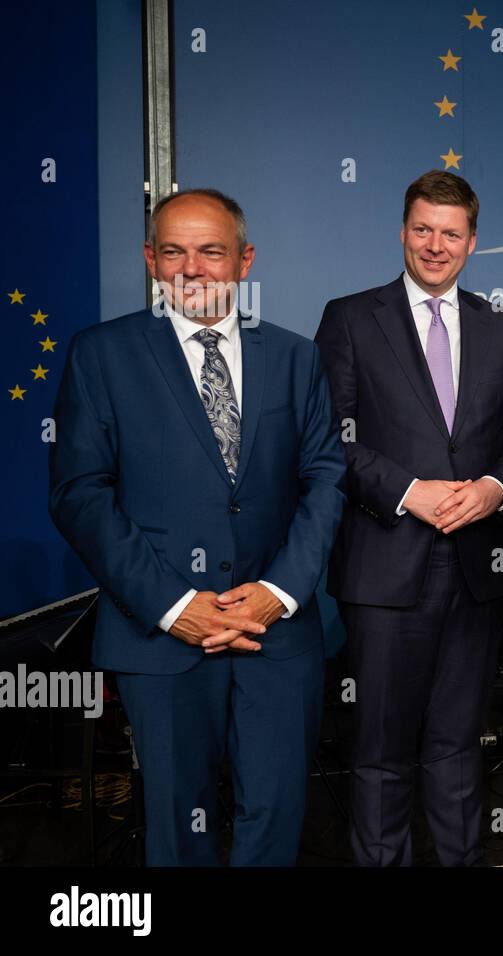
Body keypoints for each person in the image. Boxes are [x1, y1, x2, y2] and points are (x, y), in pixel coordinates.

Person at [49, 189, 346, 865]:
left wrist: (281, 590)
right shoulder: (102, 354)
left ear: (244, 260)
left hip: (278, 633)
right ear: (152, 261)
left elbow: (325, 479)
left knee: (276, 819)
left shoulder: (296, 358)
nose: (193, 268)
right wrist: (173, 605)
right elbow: (79, 494)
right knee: (179, 831)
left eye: (211, 251)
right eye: (174, 251)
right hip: (161, 637)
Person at [314, 170, 503, 866]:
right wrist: (409, 490)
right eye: (422, 230)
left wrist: (493, 490)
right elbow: (333, 438)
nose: (434, 246)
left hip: (476, 566)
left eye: (450, 233)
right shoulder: (351, 317)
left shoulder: (502, 327)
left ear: (472, 242)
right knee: (380, 749)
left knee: (456, 744)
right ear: (403, 231)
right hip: (386, 562)